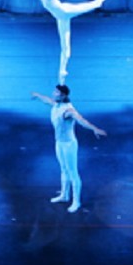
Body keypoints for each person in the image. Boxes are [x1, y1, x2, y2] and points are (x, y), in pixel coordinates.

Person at [37, 0, 125, 84]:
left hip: (65, 11)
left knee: (97, 3)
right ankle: (62, 74)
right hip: (60, 16)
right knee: (65, 47)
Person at [31, 84, 107, 213]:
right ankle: (64, 195)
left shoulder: (68, 110)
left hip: (69, 145)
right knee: (63, 169)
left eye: (56, 92)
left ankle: (76, 201)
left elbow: (81, 120)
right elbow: (47, 100)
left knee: (72, 172)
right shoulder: (56, 104)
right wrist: (38, 95)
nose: (53, 93)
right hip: (59, 143)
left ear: (63, 95)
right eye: (54, 91)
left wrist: (95, 129)